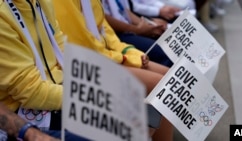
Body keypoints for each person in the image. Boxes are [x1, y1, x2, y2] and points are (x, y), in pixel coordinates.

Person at [53, 0, 174, 141]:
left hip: (104, 56)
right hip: (86, 64)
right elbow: (84, 47)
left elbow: (105, 30)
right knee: (161, 86)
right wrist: (125, 57)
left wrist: (130, 52)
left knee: (169, 77)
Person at [0, 0, 85, 140]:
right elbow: (31, 91)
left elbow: (62, 47)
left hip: (56, 91)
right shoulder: (2, 15)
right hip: (21, 114)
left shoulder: (41, 2)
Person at [102, 0, 173, 67]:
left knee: (168, 40)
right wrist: (138, 30)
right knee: (165, 53)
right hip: (115, 35)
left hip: (127, 27)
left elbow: (123, 10)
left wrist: (150, 24)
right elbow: (105, 18)